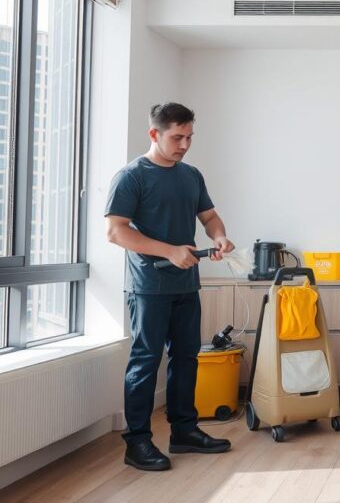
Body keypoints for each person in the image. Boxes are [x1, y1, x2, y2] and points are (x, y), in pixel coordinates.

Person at [105, 102, 234, 471]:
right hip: (148, 287)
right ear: (154, 134)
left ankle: (184, 431)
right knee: (146, 361)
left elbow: (209, 216)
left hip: (186, 285)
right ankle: (137, 442)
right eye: (177, 137)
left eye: (189, 137)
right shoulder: (131, 176)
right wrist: (169, 251)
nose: (185, 145)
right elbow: (115, 232)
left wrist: (219, 236)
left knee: (186, 358)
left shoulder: (191, 175)